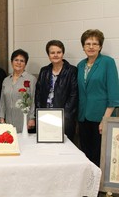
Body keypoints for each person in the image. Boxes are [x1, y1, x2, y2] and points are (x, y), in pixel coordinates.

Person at [77, 29, 119, 168]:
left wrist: (105, 120)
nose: (91, 47)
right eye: (88, 43)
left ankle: (98, 188)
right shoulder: (80, 65)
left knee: (99, 156)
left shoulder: (108, 62)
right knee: (86, 154)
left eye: (95, 44)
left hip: (100, 117)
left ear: (100, 46)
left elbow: (114, 96)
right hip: (83, 117)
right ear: (83, 46)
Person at [35, 40, 78, 142]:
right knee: (46, 146)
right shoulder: (44, 71)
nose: (55, 55)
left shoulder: (72, 70)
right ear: (48, 55)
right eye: (52, 53)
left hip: (64, 118)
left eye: (58, 52)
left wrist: (63, 115)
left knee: (64, 147)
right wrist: (38, 114)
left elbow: (74, 95)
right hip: (45, 115)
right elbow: (38, 93)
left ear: (63, 53)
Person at [0, 49, 37, 133]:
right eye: (16, 60)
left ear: (25, 64)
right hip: (8, 120)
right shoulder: (6, 80)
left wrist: (32, 118)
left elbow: (33, 100)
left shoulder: (31, 79)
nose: (19, 63)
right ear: (11, 62)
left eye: (22, 61)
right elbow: (2, 101)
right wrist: (1, 117)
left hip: (24, 119)